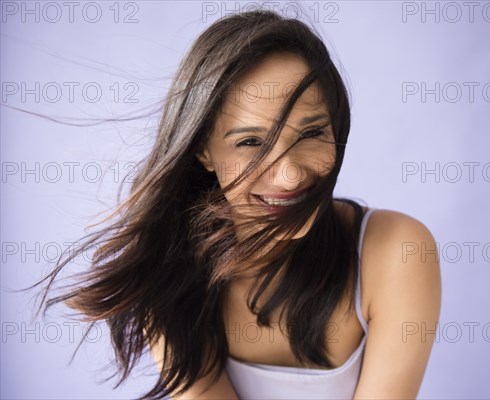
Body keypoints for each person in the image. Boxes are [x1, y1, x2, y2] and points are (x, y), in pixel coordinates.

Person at [30, 9, 441, 400]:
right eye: (250, 142)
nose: (290, 175)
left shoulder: (398, 251)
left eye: (311, 132)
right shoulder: (169, 274)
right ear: (204, 150)